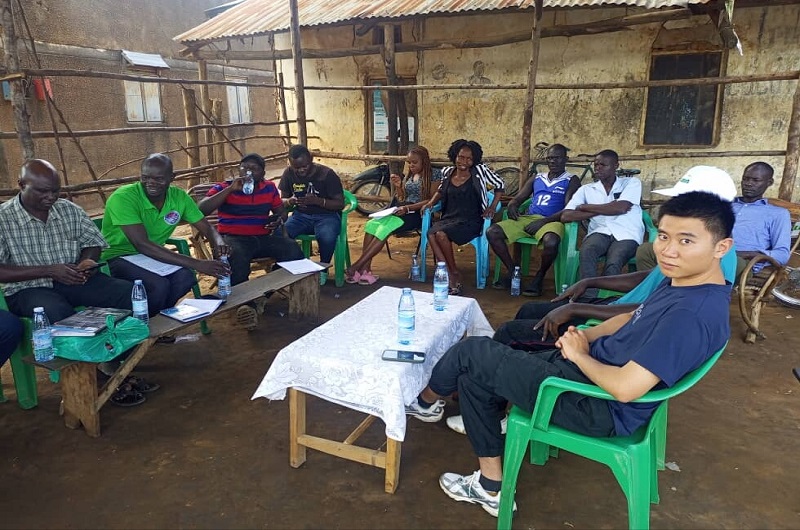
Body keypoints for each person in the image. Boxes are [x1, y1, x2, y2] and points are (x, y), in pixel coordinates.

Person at [406, 190, 733, 517]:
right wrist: (587, 335)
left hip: (592, 403)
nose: (668, 250)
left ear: (722, 247)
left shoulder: (690, 316)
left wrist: (579, 355)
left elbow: (625, 388)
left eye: (686, 241)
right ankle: (490, 486)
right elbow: (630, 317)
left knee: (471, 352)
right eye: (663, 236)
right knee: (474, 376)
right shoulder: (685, 281)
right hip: (583, 377)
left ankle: (423, 403)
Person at [0, 160, 153, 406]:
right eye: (42, 191)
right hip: (28, 289)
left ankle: (112, 362)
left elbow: (92, 242)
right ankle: (93, 380)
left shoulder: (68, 210)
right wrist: (50, 271)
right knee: (59, 313)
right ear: (21, 185)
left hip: (73, 278)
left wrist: (85, 262)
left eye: (55, 190)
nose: (51, 197)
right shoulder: (3, 218)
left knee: (128, 296)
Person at [102, 153, 230, 315]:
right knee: (158, 285)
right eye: (145, 177)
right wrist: (197, 263)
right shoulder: (123, 197)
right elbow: (141, 244)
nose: (151, 183)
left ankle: (156, 320)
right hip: (118, 256)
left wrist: (218, 242)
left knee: (185, 278)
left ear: (171, 177)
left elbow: (207, 228)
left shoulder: (179, 197)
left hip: (152, 255)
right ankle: (146, 325)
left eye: (159, 179)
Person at [198, 153, 304, 329]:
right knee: (237, 257)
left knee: (293, 251)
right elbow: (201, 209)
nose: (248, 172)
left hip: (262, 237)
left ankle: (264, 293)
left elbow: (281, 213)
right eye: (244, 167)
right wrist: (230, 190)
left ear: (262, 173)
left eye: (254, 169)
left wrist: (279, 219)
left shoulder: (269, 188)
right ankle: (246, 305)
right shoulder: (224, 187)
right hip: (234, 238)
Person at [636, 163, 791, 280]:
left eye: (755, 180)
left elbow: (782, 254)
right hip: (702, 249)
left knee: (706, 262)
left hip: (742, 261)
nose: (748, 184)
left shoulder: (777, 214)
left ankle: (669, 294)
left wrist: (751, 254)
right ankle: (659, 291)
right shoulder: (722, 202)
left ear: (769, 183)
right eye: (746, 179)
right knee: (646, 250)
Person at [487, 143, 580, 296]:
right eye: (550, 158)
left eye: (557, 158)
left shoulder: (571, 180)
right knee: (492, 231)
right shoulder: (537, 177)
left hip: (552, 221)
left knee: (552, 241)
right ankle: (512, 272)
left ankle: (539, 277)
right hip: (528, 218)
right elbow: (518, 198)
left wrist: (543, 222)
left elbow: (569, 209)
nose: (553, 162)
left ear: (566, 159)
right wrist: (512, 206)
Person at [345, 146, 442, 285]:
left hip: (419, 214)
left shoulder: (435, 174)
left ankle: (357, 266)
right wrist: (398, 186)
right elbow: (403, 198)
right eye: (409, 162)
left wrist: (408, 208)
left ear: (424, 162)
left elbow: (431, 200)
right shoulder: (410, 175)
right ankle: (366, 270)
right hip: (402, 210)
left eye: (415, 162)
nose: (411, 165)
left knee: (384, 229)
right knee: (371, 225)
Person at [422, 139, 504, 295]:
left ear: (474, 160)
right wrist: (431, 203)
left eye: (469, 158)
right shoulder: (447, 172)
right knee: (432, 233)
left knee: (438, 233)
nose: (464, 161)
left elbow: (500, 185)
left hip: (471, 219)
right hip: (450, 217)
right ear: (455, 156)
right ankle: (448, 271)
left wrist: (492, 206)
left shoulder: (480, 171)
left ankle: (452, 273)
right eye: (461, 157)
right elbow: (440, 190)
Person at [562, 150, 644, 280]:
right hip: (599, 232)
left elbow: (621, 208)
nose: (598, 168)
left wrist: (585, 207)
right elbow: (566, 216)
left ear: (616, 166)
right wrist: (606, 208)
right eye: (596, 165)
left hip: (626, 233)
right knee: (587, 251)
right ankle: (588, 295)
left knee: (615, 259)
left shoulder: (631, 183)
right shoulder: (586, 189)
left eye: (603, 165)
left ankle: (607, 298)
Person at [279, 144, 345, 283]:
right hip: (301, 216)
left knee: (326, 236)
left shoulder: (326, 174)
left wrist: (317, 201)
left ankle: (323, 268)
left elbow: (340, 204)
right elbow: (282, 200)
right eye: (296, 168)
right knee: (281, 234)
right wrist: (290, 201)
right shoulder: (289, 173)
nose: (300, 170)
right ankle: (300, 265)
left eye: (304, 166)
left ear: (311, 159)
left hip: (327, 216)